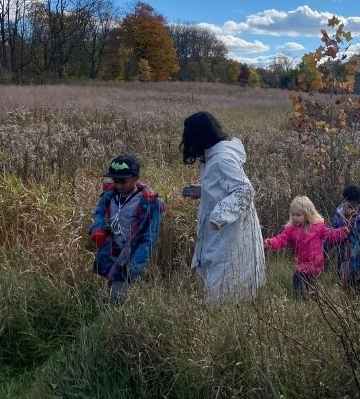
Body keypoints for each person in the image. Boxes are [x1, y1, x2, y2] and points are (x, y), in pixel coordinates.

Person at [182, 111, 265, 302]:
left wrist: (218, 215)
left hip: (230, 233)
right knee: (222, 279)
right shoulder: (214, 157)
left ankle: (226, 319)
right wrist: (205, 190)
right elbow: (226, 187)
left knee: (225, 282)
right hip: (226, 232)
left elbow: (245, 191)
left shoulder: (221, 159)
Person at [89, 155, 164, 303]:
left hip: (131, 257)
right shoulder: (109, 196)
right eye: (115, 181)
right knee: (114, 289)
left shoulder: (149, 204)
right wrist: (97, 228)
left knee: (119, 297)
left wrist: (135, 267)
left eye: (123, 181)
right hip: (111, 253)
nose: (118, 185)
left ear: (136, 177)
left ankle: (119, 320)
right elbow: (99, 214)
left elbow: (149, 239)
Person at [264, 196, 349, 297]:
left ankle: (305, 299)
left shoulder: (318, 226)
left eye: (298, 215)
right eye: (293, 215)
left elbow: (330, 235)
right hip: (302, 263)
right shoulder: (291, 229)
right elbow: (282, 239)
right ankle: (303, 300)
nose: (294, 217)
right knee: (301, 280)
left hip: (315, 263)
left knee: (302, 279)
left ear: (308, 214)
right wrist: (271, 243)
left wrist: (342, 232)